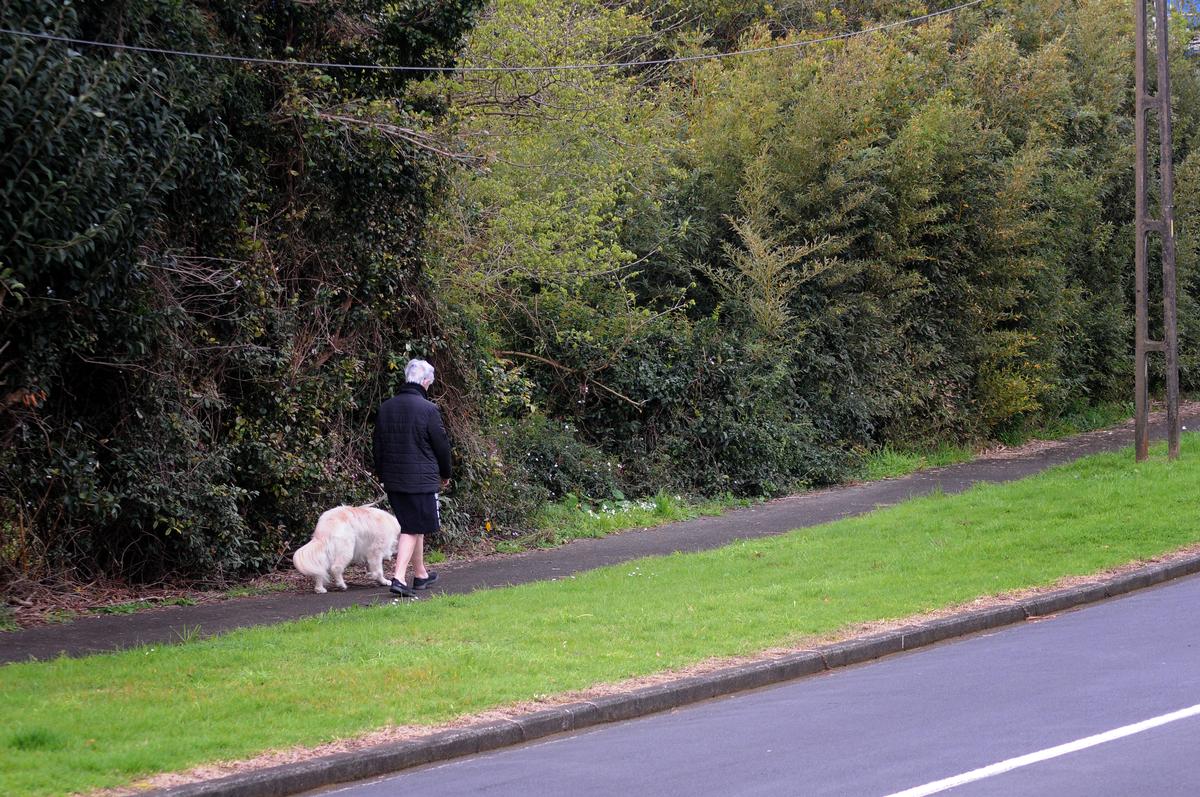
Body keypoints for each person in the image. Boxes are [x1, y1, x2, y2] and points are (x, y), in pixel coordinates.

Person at [372, 358, 452, 598]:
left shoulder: (386, 407)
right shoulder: (428, 410)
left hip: (394, 479)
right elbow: (442, 446)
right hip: (421, 479)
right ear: (426, 382)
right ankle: (398, 578)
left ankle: (421, 575)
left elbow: (377, 445)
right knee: (412, 527)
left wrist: (382, 473)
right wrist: (445, 473)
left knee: (414, 525)